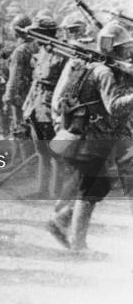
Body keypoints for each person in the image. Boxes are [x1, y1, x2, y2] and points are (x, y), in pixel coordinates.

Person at [48, 22, 133, 252]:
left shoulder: (93, 66)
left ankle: (61, 221)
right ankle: (78, 242)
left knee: (98, 185)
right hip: (93, 138)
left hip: (85, 135)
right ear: (113, 49)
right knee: (91, 188)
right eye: (124, 47)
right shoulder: (104, 72)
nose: (128, 51)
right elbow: (114, 106)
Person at [22, 17, 68, 198]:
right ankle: (42, 190)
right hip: (37, 104)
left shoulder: (62, 54)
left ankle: (56, 192)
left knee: (56, 150)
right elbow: (35, 81)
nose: (34, 37)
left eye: (38, 33)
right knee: (41, 150)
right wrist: (28, 106)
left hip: (52, 106)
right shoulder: (40, 51)